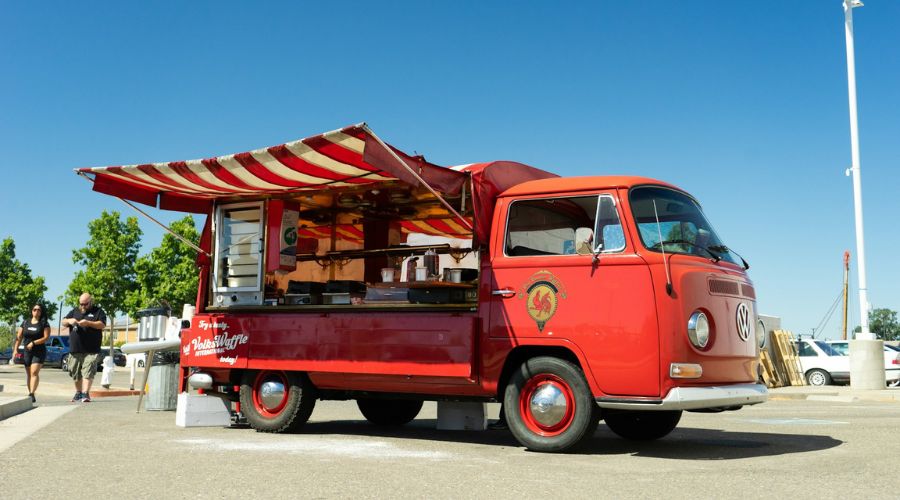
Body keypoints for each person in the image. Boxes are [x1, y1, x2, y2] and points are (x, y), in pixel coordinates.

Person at [61, 293, 107, 403]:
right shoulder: (74, 311)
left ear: (91, 302)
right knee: (74, 371)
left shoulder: (98, 311)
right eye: (81, 304)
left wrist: (88, 323)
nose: (82, 306)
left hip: (91, 349)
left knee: (88, 369)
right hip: (75, 348)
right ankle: (78, 393)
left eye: (85, 304)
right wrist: (69, 321)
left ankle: (85, 393)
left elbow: (102, 324)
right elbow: (63, 321)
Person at [12, 303, 50, 403]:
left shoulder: (44, 323)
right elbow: (19, 337)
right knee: (29, 374)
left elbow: (46, 338)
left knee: (34, 372)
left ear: (41, 312)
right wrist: (15, 349)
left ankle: (32, 393)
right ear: (31, 311)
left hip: (39, 351)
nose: (36, 311)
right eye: (34, 309)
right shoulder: (25, 322)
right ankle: (30, 393)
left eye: (39, 310)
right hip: (27, 351)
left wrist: (33, 343)